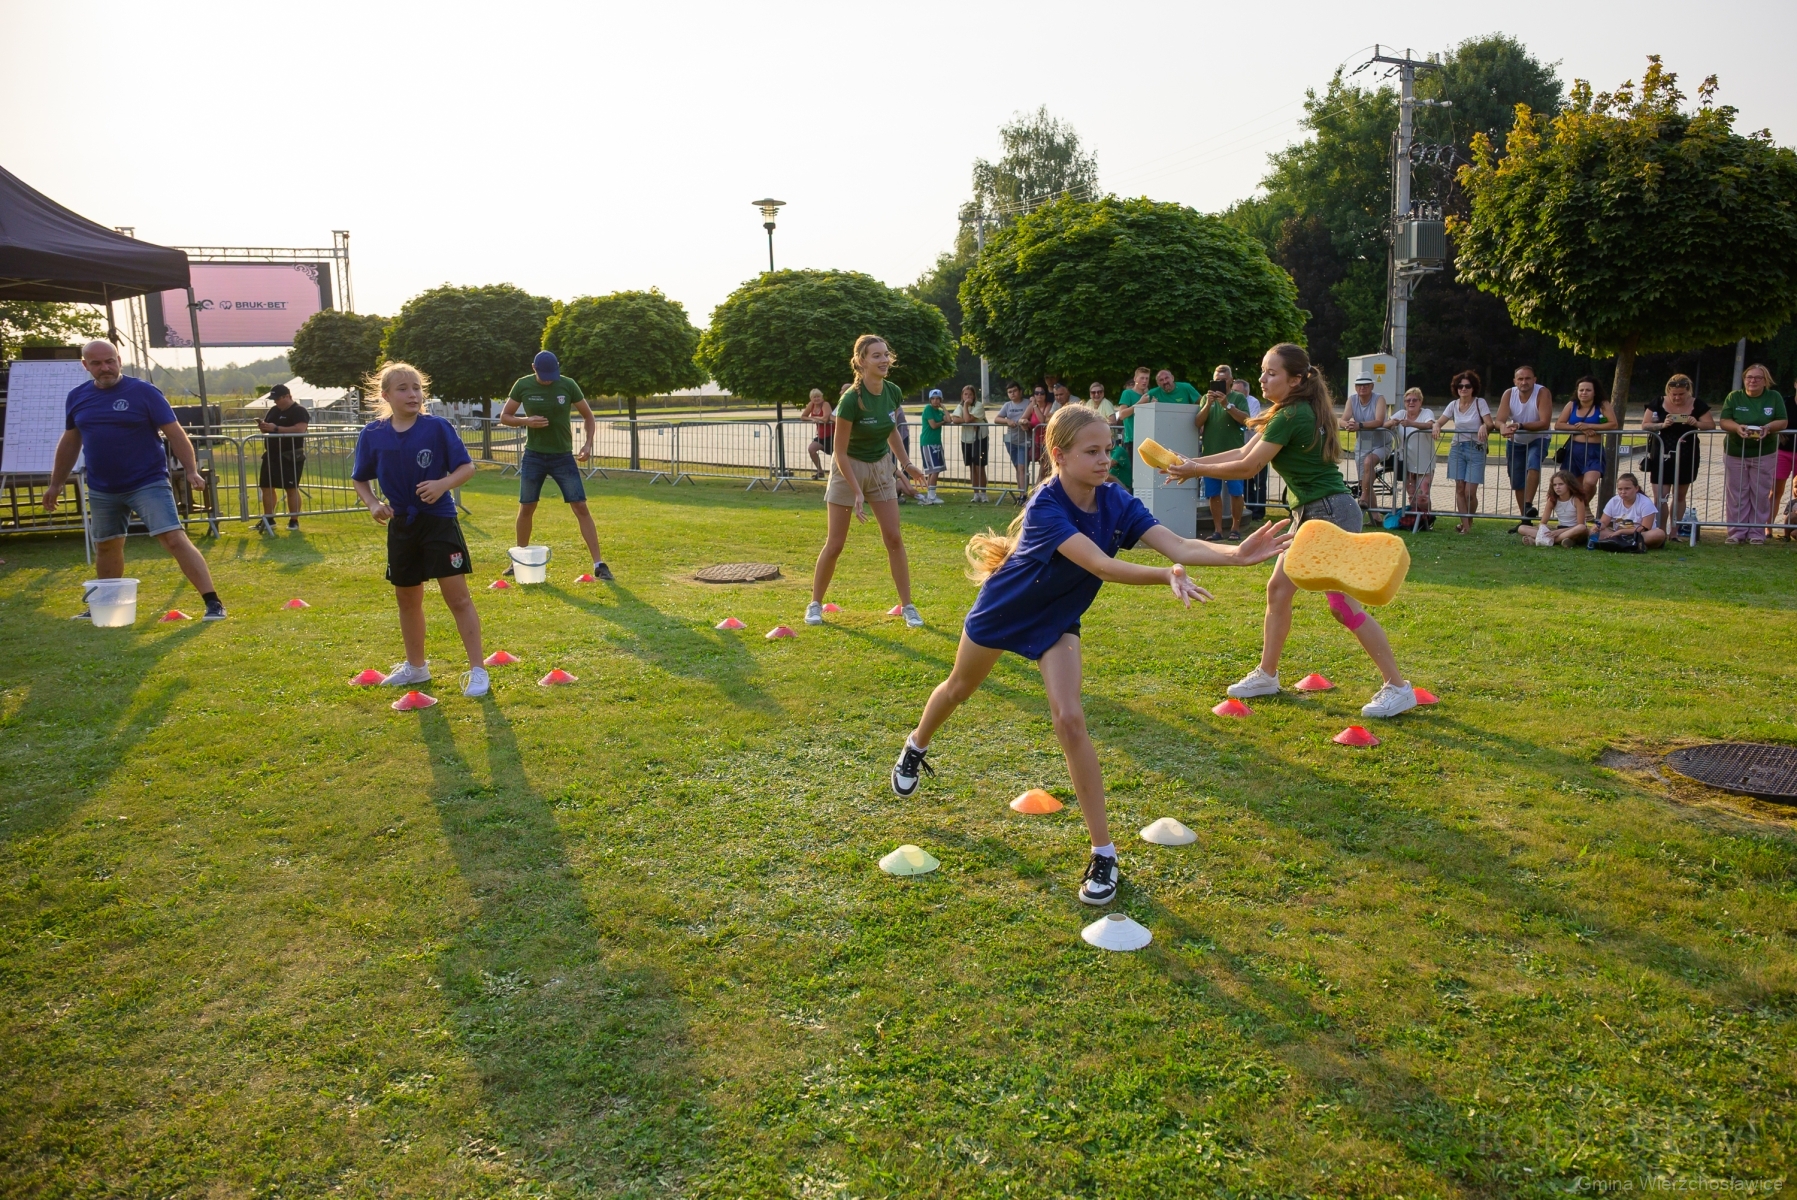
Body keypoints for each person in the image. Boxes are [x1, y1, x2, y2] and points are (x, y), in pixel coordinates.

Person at [889, 405, 1292, 905]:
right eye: (1093, 452)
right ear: (1059, 456)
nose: (1106, 460)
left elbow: (1177, 545)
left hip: (1057, 617)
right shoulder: (1046, 505)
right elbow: (1101, 565)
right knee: (958, 689)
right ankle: (916, 745)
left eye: (1109, 450)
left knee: (1070, 718)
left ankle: (1104, 854)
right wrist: (1162, 576)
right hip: (1005, 609)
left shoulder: (1115, 499)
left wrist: (1236, 554)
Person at [1163, 343, 1418, 718]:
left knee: (1342, 606)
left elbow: (1248, 467)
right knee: (1279, 589)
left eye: (1272, 373)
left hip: (1328, 514)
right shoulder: (1290, 410)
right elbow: (1243, 454)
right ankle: (1267, 675)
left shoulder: (1291, 414)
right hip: (1315, 513)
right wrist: (1190, 462)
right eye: (1262, 371)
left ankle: (1398, 687)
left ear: (1296, 379)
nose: (1263, 379)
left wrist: (1195, 469)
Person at [43, 339, 227, 621]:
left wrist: (191, 469)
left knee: (173, 539)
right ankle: (105, 605)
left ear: (119, 360)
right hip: (103, 487)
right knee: (106, 545)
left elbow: (175, 433)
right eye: (97, 363)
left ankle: (213, 603)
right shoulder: (77, 397)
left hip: (147, 482)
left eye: (110, 361)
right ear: (85, 365)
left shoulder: (144, 392)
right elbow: (70, 442)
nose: (105, 368)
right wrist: (56, 484)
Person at [350, 362, 488, 696]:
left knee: (458, 598)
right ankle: (416, 668)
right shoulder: (373, 433)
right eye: (403, 389)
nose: (413, 395)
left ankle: (478, 670)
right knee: (407, 599)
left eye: (417, 388)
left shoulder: (437, 427)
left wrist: (442, 484)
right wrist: (373, 504)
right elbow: (360, 479)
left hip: (438, 522)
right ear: (386, 395)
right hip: (402, 526)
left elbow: (467, 467)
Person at [806, 335, 928, 627]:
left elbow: (891, 430)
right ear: (861, 361)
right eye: (876, 355)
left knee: (894, 538)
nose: (884, 360)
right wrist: (857, 492)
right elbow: (839, 451)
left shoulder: (893, 391)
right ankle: (815, 604)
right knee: (836, 543)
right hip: (848, 468)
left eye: (886, 354)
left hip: (880, 467)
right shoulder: (851, 400)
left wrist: (907, 464)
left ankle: (908, 606)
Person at [498, 350, 610, 580]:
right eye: (544, 376)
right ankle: (519, 561)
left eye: (552, 375)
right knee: (527, 506)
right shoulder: (522, 385)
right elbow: (505, 416)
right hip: (534, 456)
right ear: (534, 368)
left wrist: (587, 444)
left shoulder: (568, 385)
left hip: (562, 457)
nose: (549, 380)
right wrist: (526, 421)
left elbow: (588, 416)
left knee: (580, 506)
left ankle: (599, 564)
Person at [1717, 364, 1789, 544]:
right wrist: (1737, 427)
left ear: (1765, 381)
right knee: (1737, 494)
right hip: (1735, 452)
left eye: (1758, 378)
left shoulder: (1774, 397)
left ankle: (1757, 533)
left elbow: (1783, 421)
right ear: (1744, 379)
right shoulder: (1734, 397)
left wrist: (1768, 427)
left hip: (1764, 453)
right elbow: (1724, 421)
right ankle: (1736, 532)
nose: (1753, 381)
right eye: (1749, 377)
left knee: (1760, 494)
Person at [1640, 373, 1713, 535]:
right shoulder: (1658, 402)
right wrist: (1662, 424)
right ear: (1668, 391)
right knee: (1661, 496)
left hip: (1687, 454)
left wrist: (1696, 423)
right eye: (1674, 394)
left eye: (1681, 394)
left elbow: (1711, 425)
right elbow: (1645, 425)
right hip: (1661, 453)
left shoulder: (1697, 404)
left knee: (1679, 495)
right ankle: (1660, 531)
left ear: (1688, 391)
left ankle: (1674, 532)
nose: (1677, 398)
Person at [1435, 371, 1492, 535]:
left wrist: (1484, 426)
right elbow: (1440, 421)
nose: (1463, 389)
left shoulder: (1480, 403)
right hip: (1457, 448)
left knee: (1469, 493)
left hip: (1476, 449)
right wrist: (1436, 426)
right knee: (1460, 489)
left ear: (1473, 388)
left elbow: (1490, 423)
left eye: (1467, 386)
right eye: (1460, 386)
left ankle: (1469, 520)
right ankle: (1465, 526)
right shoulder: (1453, 405)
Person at [1496, 365, 1553, 525]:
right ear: (1515, 381)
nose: (1524, 382)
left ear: (1534, 380)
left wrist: (1520, 425)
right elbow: (1499, 420)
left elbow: (1544, 423)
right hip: (1516, 441)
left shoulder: (1542, 393)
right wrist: (1503, 427)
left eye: (1528, 378)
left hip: (1538, 438)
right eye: (1520, 379)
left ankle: (1528, 504)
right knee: (1517, 480)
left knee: (1533, 464)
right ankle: (1525, 519)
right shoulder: (1509, 393)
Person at [1195, 376, 1249, 540]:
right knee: (1213, 494)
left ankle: (1235, 529)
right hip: (1211, 453)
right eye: (1216, 380)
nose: (1219, 383)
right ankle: (1217, 530)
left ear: (1231, 381)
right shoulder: (1206, 398)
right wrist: (1208, 404)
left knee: (1236, 492)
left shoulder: (1238, 397)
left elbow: (1246, 419)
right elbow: (1198, 423)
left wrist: (1227, 405)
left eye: (1223, 380)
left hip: (1234, 454)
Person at [1554, 375, 1620, 502]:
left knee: (1589, 482)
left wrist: (1589, 425)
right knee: (1576, 485)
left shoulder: (1602, 405)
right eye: (1581, 390)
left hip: (1594, 451)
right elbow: (1559, 425)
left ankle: (1583, 505)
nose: (1584, 393)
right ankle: (1583, 508)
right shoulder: (1572, 405)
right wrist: (1581, 428)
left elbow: (1613, 424)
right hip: (1574, 450)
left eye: (1588, 390)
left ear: (1595, 392)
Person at [254, 383, 309, 534]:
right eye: (274, 399)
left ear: (288, 396)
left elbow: (300, 429)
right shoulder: (273, 410)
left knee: (291, 488)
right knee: (266, 486)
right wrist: (264, 427)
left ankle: (294, 520)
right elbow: (269, 427)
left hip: (290, 455)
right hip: (271, 454)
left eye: (278, 398)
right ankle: (269, 519)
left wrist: (275, 428)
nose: (276, 402)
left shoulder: (299, 411)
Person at [1343, 376, 1391, 511]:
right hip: (1363, 444)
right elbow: (1342, 420)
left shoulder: (1379, 398)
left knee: (1368, 462)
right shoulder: (1352, 399)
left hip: (1381, 443)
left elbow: (1379, 421)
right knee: (1364, 481)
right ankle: (1375, 516)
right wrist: (1348, 425)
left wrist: (1359, 425)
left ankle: (1363, 497)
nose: (1362, 387)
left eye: (1366, 385)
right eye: (1359, 385)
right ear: (1355, 387)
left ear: (1372, 386)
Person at [1389, 387, 1436, 523]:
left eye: (1415, 400)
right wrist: (1392, 422)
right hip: (1407, 462)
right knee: (1412, 495)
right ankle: (1416, 521)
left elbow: (1429, 425)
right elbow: (1385, 424)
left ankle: (1428, 519)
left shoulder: (1427, 413)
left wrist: (1411, 424)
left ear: (1420, 401)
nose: (1411, 402)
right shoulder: (1401, 413)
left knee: (1423, 496)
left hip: (1425, 463)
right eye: (1408, 400)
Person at [1590, 473, 1666, 551]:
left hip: (1639, 535)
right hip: (1618, 534)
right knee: (1593, 531)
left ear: (1636, 488)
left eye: (1627, 489)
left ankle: (1619, 543)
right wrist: (1598, 526)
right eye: (1620, 489)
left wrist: (1621, 532)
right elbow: (1603, 522)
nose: (1623, 492)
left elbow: (1645, 528)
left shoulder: (1645, 503)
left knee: (1659, 533)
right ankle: (1631, 544)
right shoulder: (1614, 501)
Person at [1522, 470, 1591, 546]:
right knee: (1522, 528)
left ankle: (1545, 541)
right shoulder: (1552, 500)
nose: (1557, 487)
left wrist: (1559, 532)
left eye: (1561, 484)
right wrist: (1544, 530)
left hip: (1574, 529)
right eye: (1554, 485)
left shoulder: (1577, 499)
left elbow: (1580, 524)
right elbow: (1543, 522)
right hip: (1560, 528)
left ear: (1569, 485)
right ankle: (1561, 540)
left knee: (1581, 528)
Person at [1235, 377, 1270, 518]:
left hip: (1257, 447)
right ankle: (1250, 508)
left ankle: (1259, 511)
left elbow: (1250, 421)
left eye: (1238, 391)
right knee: (1246, 480)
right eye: (1233, 390)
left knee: (1259, 481)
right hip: (1242, 446)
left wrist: (1236, 415)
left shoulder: (1253, 402)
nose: (1235, 393)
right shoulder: (1231, 401)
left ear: (1246, 392)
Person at [952, 385, 990, 503]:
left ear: (974, 396)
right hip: (966, 440)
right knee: (972, 467)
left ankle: (983, 493)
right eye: (965, 394)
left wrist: (965, 412)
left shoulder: (978, 406)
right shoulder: (960, 406)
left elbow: (968, 419)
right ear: (962, 395)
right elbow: (955, 419)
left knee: (979, 466)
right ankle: (976, 494)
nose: (968, 397)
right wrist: (965, 414)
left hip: (979, 438)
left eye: (970, 394)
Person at [997, 382, 1031, 493]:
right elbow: (997, 419)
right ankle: (1021, 493)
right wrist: (1007, 420)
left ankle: (1023, 495)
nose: (1012, 394)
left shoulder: (1028, 403)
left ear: (1020, 391)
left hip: (1024, 441)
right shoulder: (1007, 405)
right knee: (1018, 468)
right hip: (1011, 441)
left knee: (1022, 467)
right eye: (1009, 392)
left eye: (1015, 391)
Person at [917, 388, 948, 505]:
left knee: (934, 470)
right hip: (928, 442)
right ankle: (931, 496)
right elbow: (933, 425)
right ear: (930, 400)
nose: (935, 401)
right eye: (933, 399)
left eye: (938, 399)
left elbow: (949, 419)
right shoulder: (928, 409)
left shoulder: (939, 412)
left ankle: (930, 495)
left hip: (936, 442)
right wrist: (942, 422)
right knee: (934, 470)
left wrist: (944, 408)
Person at [802, 388, 836, 479]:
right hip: (821, 436)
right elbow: (803, 416)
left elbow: (825, 419)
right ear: (811, 398)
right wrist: (811, 419)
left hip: (832, 435)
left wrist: (815, 418)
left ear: (822, 397)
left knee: (836, 455)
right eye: (814, 397)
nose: (816, 399)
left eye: (818, 396)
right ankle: (820, 471)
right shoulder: (811, 405)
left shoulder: (825, 404)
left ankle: (836, 474)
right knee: (811, 449)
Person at [1027, 384, 1054, 487]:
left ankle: (1036, 490)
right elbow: (1022, 418)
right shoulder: (1032, 406)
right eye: (1036, 393)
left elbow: (1042, 420)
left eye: (1042, 393)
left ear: (1045, 395)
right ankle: (1037, 490)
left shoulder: (1049, 405)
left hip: (1048, 442)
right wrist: (1024, 422)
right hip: (1037, 442)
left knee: (1044, 469)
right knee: (1043, 469)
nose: (1039, 395)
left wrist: (1035, 406)